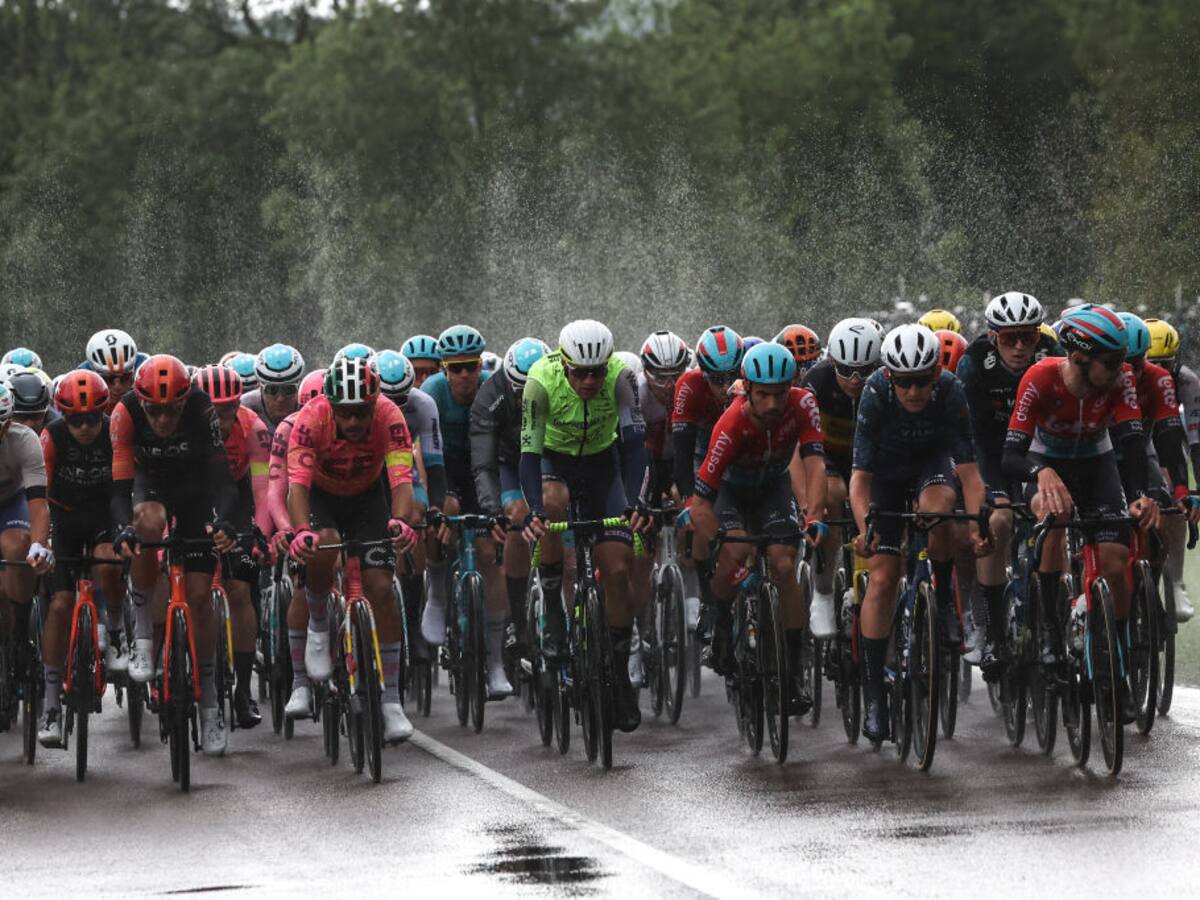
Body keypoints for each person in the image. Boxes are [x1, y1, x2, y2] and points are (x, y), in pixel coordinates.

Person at [1002, 304, 1159, 723]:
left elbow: (1131, 440)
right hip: (1045, 462)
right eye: (1110, 362)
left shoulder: (1119, 379)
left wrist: (1141, 495)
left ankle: (1113, 670)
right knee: (1052, 513)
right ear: (1078, 359)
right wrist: (1042, 471)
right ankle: (1051, 629)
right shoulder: (1039, 378)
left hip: (1096, 464)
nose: (1121, 370)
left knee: (1114, 559)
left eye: (1121, 361)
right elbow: (1011, 455)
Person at [851, 324, 989, 742]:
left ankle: (943, 600)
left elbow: (969, 472)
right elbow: (859, 480)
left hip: (932, 465)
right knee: (882, 579)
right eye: (905, 383)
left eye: (922, 382)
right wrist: (866, 530)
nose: (914, 392)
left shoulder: (949, 390)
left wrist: (978, 522)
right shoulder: (874, 393)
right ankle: (874, 695)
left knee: (941, 510)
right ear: (891, 377)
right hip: (886, 476)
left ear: (935, 375)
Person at [520, 319, 649, 733]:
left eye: (598, 371)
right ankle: (555, 610)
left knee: (616, 568)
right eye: (581, 372)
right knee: (553, 504)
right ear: (564, 363)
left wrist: (634, 501)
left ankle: (617, 674)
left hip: (601, 466)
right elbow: (528, 453)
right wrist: (535, 509)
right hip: (554, 462)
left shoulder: (622, 378)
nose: (590, 381)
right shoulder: (540, 381)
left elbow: (634, 448)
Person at [110, 354, 240, 755]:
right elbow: (118, 489)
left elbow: (224, 482)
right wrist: (123, 529)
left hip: (196, 490)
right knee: (147, 524)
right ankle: (144, 636)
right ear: (141, 402)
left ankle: (211, 703)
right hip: (149, 486)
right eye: (155, 410)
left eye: (171, 411)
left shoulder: (202, 408)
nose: (163, 420)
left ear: (185, 401)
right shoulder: (125, 411)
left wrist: (226, 522)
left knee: (200, 598)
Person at [688, 343, 828, 712]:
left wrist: (814, 514)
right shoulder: (730, 423)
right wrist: (718, 541)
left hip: (772, 488)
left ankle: (793, 670)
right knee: (735, 550)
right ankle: (719, 624)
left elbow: (814, 464)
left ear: (792, 385)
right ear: (746, 388)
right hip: (729, 493)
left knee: (784, 565)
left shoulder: (803, 404)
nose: (771, 404)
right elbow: (701, 503)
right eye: (762, 394)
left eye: (779, 394)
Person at [286, 357, 419, 743]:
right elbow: (297, 488)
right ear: (331, 407)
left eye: (362, 411)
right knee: (322, 544)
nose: (355, 422)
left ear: (375, 403)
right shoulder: (311, 420)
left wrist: (401, 521)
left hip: (367, 497)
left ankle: (391, 701)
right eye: (346, 414)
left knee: (380, 587)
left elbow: (401, 481)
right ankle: (316, 624)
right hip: (322, 497)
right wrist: (299, 531)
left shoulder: (390, 416)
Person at [955, 291, 1061, 675]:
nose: (1018, 347)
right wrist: (992, 495)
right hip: (991, 450)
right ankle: (994, 633)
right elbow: (974, 438)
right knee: (998, 522)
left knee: (1052, 515)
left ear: (1039, 336)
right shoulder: (973, 366)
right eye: (1008, 338)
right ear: (992, 336)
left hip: (1035, 450)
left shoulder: (1054, 353)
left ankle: (1052, 620)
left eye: (1027, 337)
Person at [418, 325, 513, 697]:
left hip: (485, 470)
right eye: (455, 368)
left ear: (479, 366)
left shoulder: (493, 389)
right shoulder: (432, 393)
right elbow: (425, 459)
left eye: (470, 366)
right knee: (443, 515)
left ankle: (494, 663)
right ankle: (438, 593)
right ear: (444, 369)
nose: (464, 375)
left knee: (490, 556)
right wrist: (434, 510)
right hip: (446, 470)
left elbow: (504, 450)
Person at [36, 371, 123, 746]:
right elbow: (38, 492)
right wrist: (43, 541)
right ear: (62, 416)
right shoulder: (50, 438)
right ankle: (51, 704)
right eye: (74, 419)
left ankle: (116, 633)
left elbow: (128, 484)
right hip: (65, 518)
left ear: (103, 413)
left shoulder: (114, 432)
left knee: (109, 562)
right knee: (58, 605)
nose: (85, 427)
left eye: (92, 418)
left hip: (106, 515)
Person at [194, 364, 273, 728]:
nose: (222, 419)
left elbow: (261, 491)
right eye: (213, 410)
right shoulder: (185, 429)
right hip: (195, 499)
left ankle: (244, 689)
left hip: (238, 500)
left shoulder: (254, 428)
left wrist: (259, 533)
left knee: (240, 588)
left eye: (229, 409)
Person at [801, 318, 882, 639]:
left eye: (865, 370)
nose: (855, 379)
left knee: (878, 507)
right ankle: (822, 593)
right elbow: (802, 436)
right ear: (831, 360)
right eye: (846, 369)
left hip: (869, 460)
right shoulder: (816, 379)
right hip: (828, 458)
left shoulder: (886, 381)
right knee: (832, 496)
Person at [470, 337, 549, 658]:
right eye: (519, 392)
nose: (525, 399)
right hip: (509, 465)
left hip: (547, 460)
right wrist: (492, 511)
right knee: (517, 515)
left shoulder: (561, 385)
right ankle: (518, 617)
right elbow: (484, 464)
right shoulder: (490, 396)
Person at [1145, 317, 1199, 621]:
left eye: (1165, 365)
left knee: (1175, 506)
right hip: (1134, 441)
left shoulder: (1186, 380)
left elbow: (1195, 440)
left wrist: (1195, 493)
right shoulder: (1125, 377)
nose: (1159, 372)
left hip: (1166, 438)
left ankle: (1176, 583)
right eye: (1151, 363)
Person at [241, 343, 305, 435]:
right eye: (272, 390)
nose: (280, 398)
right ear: (260, 387)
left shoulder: (309, 407)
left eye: (289, 389)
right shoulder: (244, 407)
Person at [82, 328, 146, 413]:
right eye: (108, 379)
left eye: (125, 378)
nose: (117, 386)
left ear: (133, 375)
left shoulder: (145, 368)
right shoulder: (82, 380)